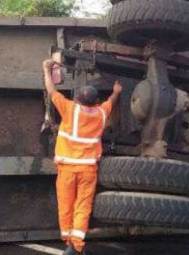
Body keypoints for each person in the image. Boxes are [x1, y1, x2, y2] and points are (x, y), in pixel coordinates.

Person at [42, 59, 122, 255]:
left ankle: (71, 243)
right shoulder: (102, 113)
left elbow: (51, 91)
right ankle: (75, 244)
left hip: (67, 169)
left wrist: (46, 69)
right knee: (83, 206)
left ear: (77, 99)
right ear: (96, 102)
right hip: (88, 171)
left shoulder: (70, 109)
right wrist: (117, 91)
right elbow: (110, 102)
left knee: (66, 205)